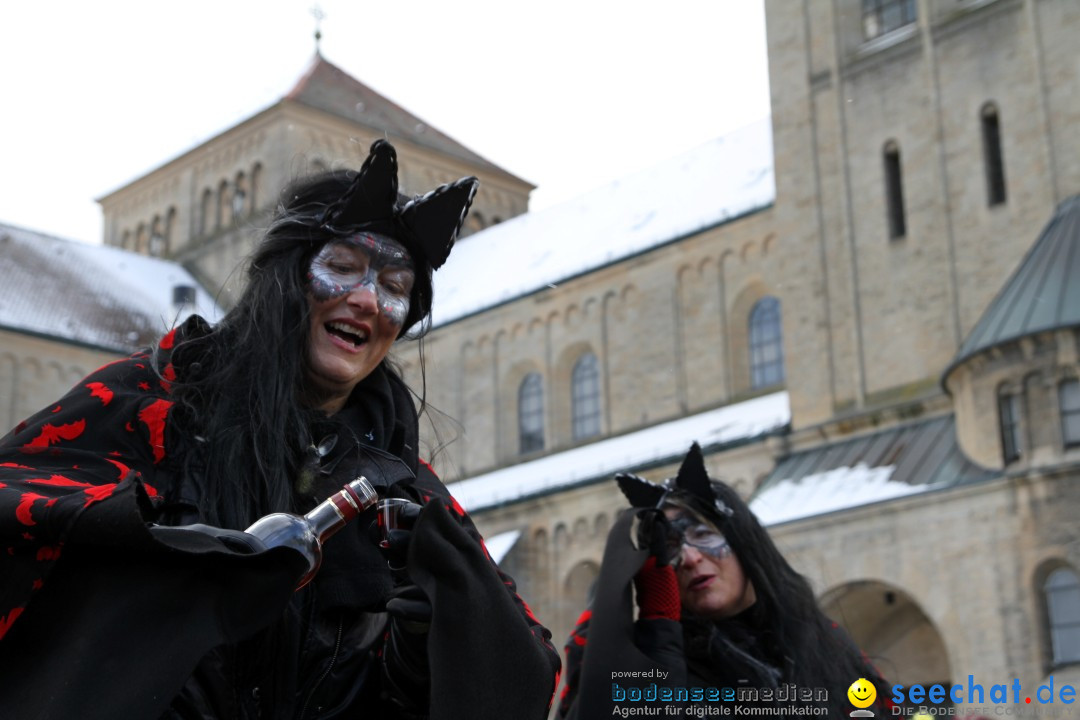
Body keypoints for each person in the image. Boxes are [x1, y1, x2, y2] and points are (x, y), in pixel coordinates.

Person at [0, 140, 560, 719]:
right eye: (342, 268)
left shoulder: (399, 486)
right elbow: (19, 506)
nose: (368, 299)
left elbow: (520, 672)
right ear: (286, 279)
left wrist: (427, 636)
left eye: (395, 288)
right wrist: (163, 545)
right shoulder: (153, 404)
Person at [557, 443, 892, 719]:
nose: (689, 558)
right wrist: (658, 637)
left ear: (743, 541)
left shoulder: (823, 643)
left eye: (702, 533)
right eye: (670, 547)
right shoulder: (647, 669)